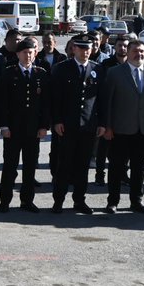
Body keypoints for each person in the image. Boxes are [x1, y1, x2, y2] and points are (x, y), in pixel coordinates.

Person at [97, 39, 144, 214]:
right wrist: (108, 126)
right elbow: (107, 102)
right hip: (120, 129)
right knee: (117, 166)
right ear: (128, 52)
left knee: (139, 167)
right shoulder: (114, 72)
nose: (138, 54)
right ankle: (113, 201)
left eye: (142, 51)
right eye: (135, 51)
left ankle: (136, 201)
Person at [0, 37, 49, 213]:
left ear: (35, 54)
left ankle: (27, 200)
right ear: (18, 54)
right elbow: (2, 102)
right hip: (13, 128)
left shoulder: (40, 74)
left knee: (29, 167)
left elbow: (45, 104)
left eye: (31, 53)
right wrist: (4, 126)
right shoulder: (9, 73)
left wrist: (44, 126)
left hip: (32, 129)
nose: (28, 56)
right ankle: (5, 201)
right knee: (10, 167)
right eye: (24, 52)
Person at [49, 37, 100, 214]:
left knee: (83, 166)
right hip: (67, 125)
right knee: (64, 165)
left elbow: (100, 100)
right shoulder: (62, 69)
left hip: (88, 126)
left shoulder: (97, 69)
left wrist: (101, 123)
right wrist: (56, 121)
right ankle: (58, 200)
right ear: (74, 49)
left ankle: (79, 200)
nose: (85, 51)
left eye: (88, 48)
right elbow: (55, 98)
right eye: (81, 48)